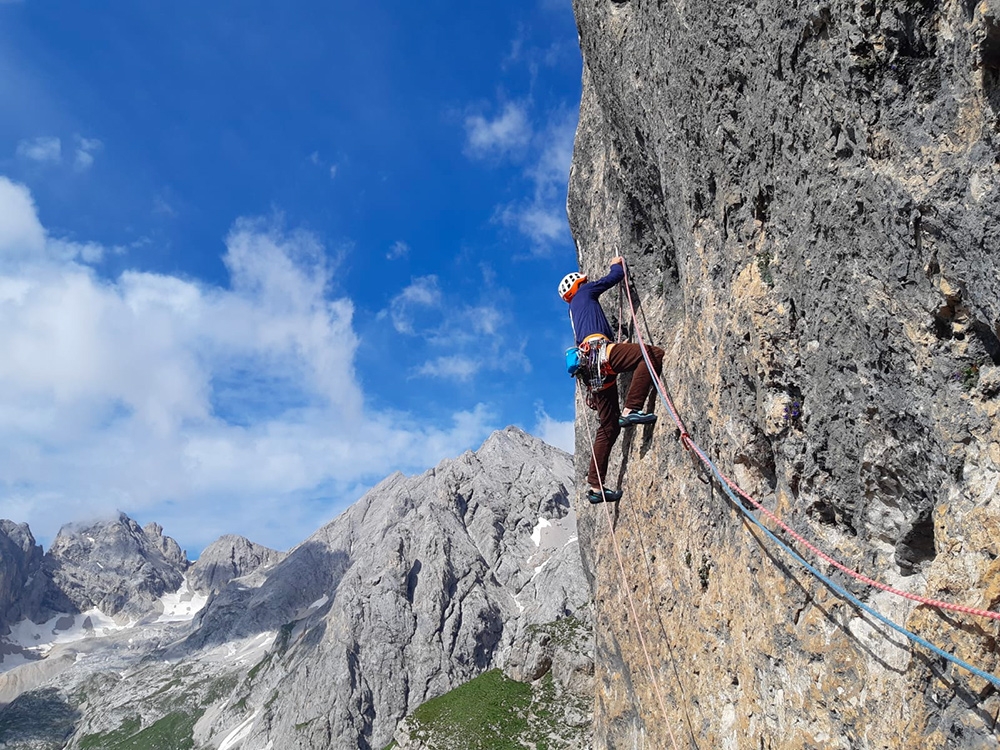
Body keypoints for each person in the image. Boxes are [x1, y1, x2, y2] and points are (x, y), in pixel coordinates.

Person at [559, 257, 665, 504]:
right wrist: (617, 264)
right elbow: (612, 279)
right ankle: (632, 408)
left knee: (608, 427)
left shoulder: (574, 311)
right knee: (650, 354)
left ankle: (596, 486)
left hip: (591, 371)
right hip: (601, 353)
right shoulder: (585, 291)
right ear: (578, 284)